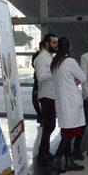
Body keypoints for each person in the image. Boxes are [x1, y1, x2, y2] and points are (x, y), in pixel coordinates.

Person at [49, 37, 87, 172]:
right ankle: (56, 160)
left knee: (67, 131)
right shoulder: (69, 61)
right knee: (69, 133)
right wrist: (74, 81)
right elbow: (83, 77)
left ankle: (69, 161)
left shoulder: (55, 62)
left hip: (61, 100)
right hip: (70, 100)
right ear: (68, 47)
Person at [34, 33, 58, 163]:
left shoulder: (49, 56)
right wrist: (54, 70)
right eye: (54, 42)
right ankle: (42, 154)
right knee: (49, 125)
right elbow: (41, 78)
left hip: (52, 95)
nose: (56, 45)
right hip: (46, 95)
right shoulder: (41, 58)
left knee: (50, 126)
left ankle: (45, 151)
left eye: (56, 42)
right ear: (47, 43)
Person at [31, 41, 44, 124]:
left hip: (45, 82)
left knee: (43, 100)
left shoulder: (49, 55)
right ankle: (39, 115)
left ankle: (43, 118)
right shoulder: (36, 55)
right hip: (37, 80)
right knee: (34, 99)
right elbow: (33, 64)